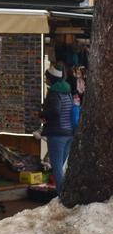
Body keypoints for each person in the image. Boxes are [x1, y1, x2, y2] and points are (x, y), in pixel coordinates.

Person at [41, 64, 74, 194]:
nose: (45, 79)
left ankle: (62, 195)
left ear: (51, 79)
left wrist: (42, 114)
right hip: (68, 133)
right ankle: (66, 193)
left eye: (46, 77)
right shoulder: (67, 90)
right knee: (62, 166)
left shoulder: (54, 92)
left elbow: (55, 110)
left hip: (57, 134)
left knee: (57, 167)